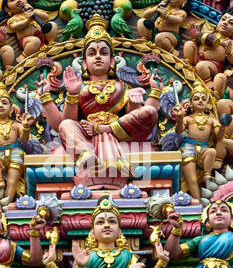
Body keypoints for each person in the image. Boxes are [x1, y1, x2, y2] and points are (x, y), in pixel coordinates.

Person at [38, 15, 160, 183]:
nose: (97, 57)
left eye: (103, 53)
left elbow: (142, 117)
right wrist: (64, 94)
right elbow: (63, 123)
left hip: (118, 133)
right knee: (66, 126)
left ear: (111, 61)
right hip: (86, 134)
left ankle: (105, 129)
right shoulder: (79, 87)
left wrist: (143, 97)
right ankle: (84, 154)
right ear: (84, 63)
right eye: (92, 53)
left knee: (149, 111)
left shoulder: (122, 86)